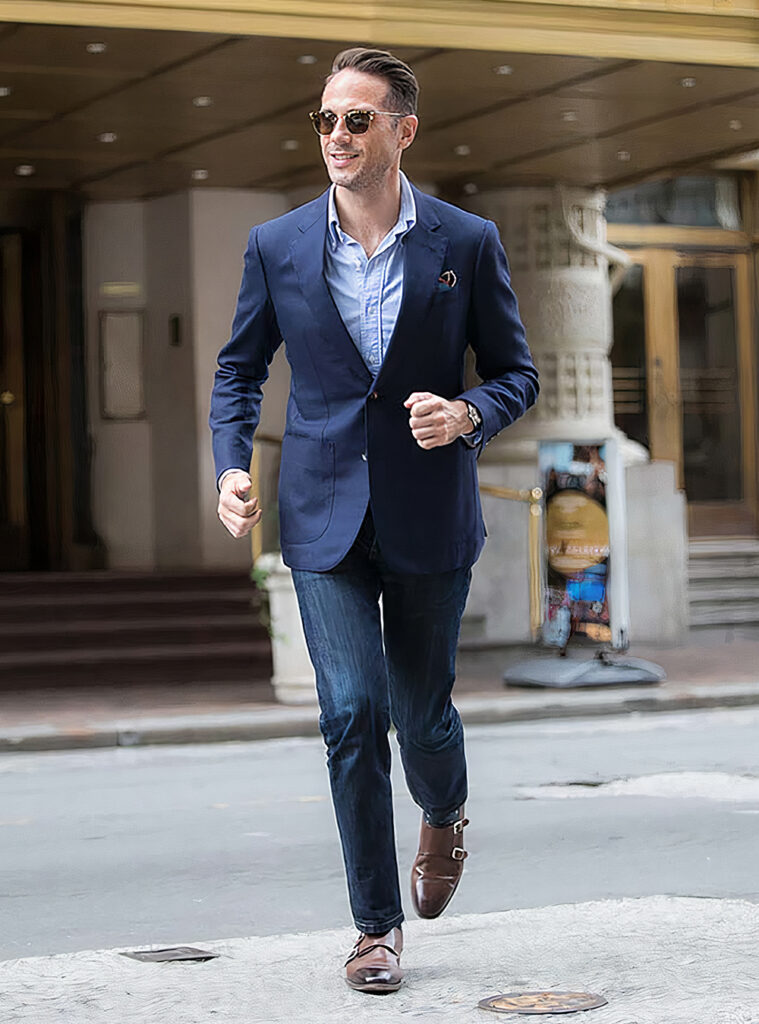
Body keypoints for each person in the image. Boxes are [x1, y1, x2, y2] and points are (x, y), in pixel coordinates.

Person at [210, 46, 538, 994]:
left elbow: (517, 372)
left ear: (403, 130)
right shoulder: (276, 245)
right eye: (325, 121)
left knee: (421, 714)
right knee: (352, 713)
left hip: (429, 512)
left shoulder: (465, 241)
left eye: (358, 120)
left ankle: (445, 815)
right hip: (319, 517)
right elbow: (238, 371)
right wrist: (232, 467)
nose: (338, 137)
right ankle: (374, 928)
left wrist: (469, 413)